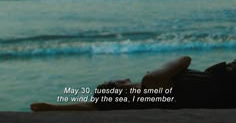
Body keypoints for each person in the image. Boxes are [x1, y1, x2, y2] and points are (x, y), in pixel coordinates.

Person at [30, 56, 236, 111]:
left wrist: (53, 107)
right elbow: (185, 59)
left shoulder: (148, 101)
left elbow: (94, 106)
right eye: (117, 81)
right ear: (120, 88)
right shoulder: (152, 81)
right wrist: (153, 72)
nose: (123, 78)